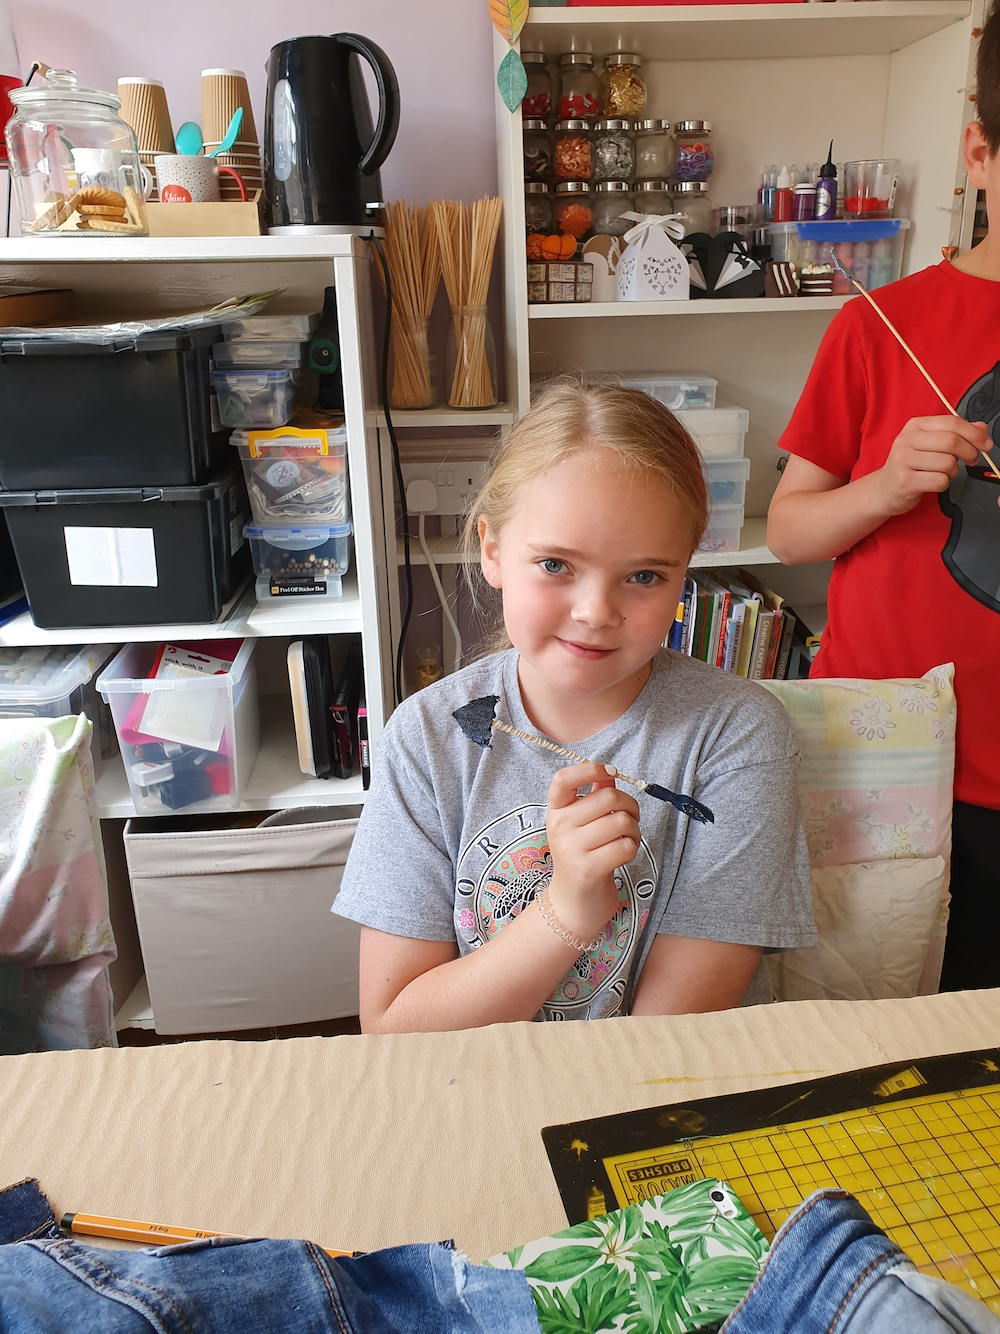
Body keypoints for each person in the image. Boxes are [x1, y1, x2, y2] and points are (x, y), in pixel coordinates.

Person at [334, 382, 814, 1033]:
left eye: (644, 576)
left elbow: (671, 1040)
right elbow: (396, 1028)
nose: (595, 613)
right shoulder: (425, 738)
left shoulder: (738, 736)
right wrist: (568, 910)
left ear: (683, 574)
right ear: (494, 550)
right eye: (556, 563)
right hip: (473, 1088)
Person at [766, 10, 1000, 992]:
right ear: (978, 153)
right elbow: (786, 529)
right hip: (898, 763)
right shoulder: (879, 327)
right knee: (872, 1024)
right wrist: (881, 488)